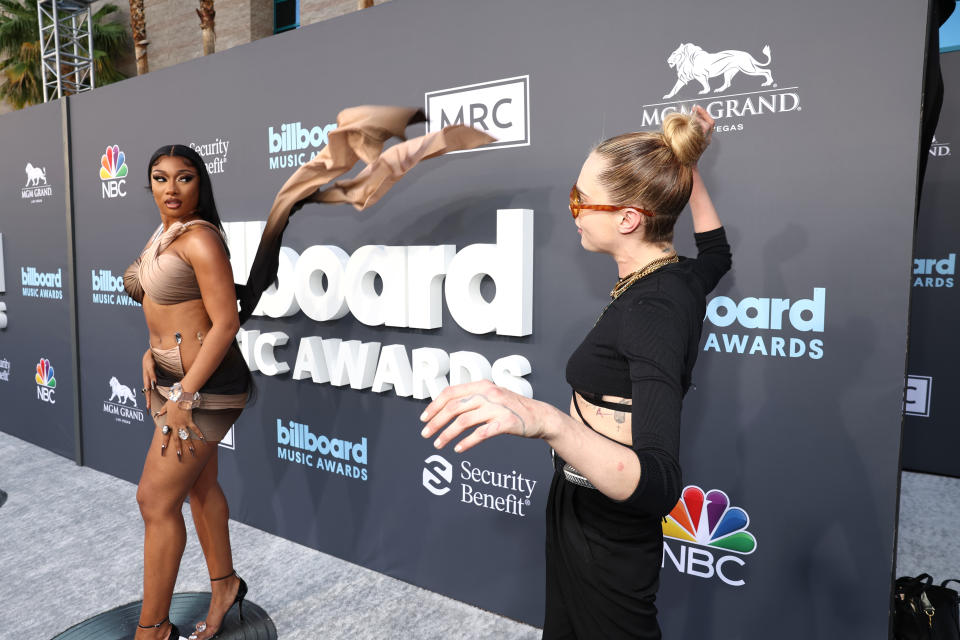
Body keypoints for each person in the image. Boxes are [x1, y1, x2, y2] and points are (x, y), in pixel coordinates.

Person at [420, 105, 731, 639]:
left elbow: (659, 483)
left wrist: (552, 424)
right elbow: (717, 253)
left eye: (581, 201)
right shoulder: (679, 276)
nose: (575, 212)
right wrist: (686, 164)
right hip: (577, 498)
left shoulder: (654, 309)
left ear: (629, 218)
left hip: (608, 528)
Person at [123, 145, 251, 640]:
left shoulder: (200, 240)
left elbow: (225, 323)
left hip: (205, 387)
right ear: (150, 184)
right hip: (172, 379)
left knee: (154, 500)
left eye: (184, 178)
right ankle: (224, 585)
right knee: (199, 486)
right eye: (160, 178)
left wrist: (184, 398)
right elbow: (168, 306)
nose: (171, 189)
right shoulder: (164, 234)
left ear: (201, 185)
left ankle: (153, 631)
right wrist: (151, 351)